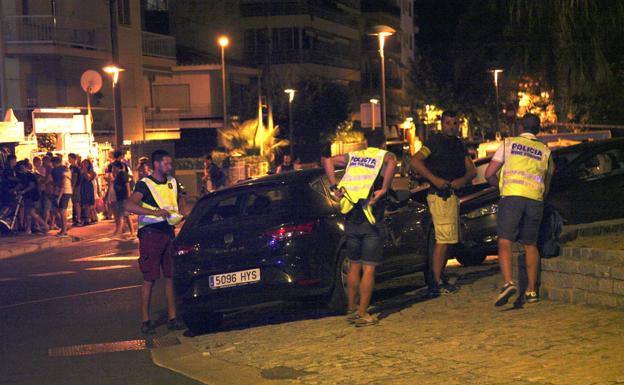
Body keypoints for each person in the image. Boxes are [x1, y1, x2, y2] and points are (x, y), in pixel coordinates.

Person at [323, 130, 397, 327]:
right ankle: (363, 313)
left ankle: (351, 308)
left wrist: (333, 186)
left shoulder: (355, 156)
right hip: (371, 219)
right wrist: (384, 188)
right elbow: (392, 162)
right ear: (383, 143)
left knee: (354, 265)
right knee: (369, 268)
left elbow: (328, 161)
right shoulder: (384, 156)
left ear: (365, 143)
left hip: (351, 219)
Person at [485, 113, 555, 306]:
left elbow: (489, 173)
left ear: (521, 127)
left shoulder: (509, 144)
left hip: (512, 196)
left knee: (505, 241)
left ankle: (508, 283)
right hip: (535, 199)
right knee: (530, 244)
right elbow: (547, 182)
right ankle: (532, 291)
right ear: (538, 129)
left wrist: (499, 186)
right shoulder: (545, 151)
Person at [409, 110, 476, 297]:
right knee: (444, 239)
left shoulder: (459, 145)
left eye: (455, 123)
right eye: (448, 123)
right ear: (442, 124)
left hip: (452, 194)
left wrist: (461, 181)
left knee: (449, 239)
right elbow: (415, 161)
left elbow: (472, 170)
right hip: (440, 195)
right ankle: (435, 282)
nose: (452, 127)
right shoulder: (434, 142)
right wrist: (435, 180)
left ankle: (439, 277)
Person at [125, 150, 185, 334]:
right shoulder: (144, 184)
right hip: (151, 234)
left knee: (170, 275)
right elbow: (129, 205)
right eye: (166, 163)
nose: (170, 166)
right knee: (149, 278)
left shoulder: (172, 182)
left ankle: (173, 318)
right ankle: (145, 320)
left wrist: (179, 215)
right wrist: (155, 213)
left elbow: (178, 201)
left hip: (168, 231)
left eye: (170, 163)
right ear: (157, 164)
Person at [15, 160, 48, 234]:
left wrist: (23, 191)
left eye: (22, 167)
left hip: (33, 196)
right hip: (27, 196)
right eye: (20, 168)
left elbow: (32, 186)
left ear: (26, 167)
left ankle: (44, 225)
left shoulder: (30, 175)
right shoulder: (24, 175)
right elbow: (21, 184)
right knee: (28, 213)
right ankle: (28, 229)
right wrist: (15, 189)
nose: (21, 169)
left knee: (31, 212)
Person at [111, 160, 135, 236]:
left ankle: (118, 233)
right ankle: (132, 232)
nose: (113, 169)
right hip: (120, 198)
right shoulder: (118, 175)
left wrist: (128, 198)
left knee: (120, 216)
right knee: (126, 215)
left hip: (124, 198)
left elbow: (127, 186)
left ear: (118, 167)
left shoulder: (122, 174)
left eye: (114, 167)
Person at [50, 156, 72, 237]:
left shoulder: (59, 170)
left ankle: (64, 230)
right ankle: (64, 229)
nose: (52, 165)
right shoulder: (65, 169)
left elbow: (62, 184)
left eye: (52, 163)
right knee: (61, 211)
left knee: (62, 211)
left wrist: (58, 197)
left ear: (55, 163)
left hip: (64, 192)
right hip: (67, 191)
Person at [80, 159, 98, 225]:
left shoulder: (92, 172)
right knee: (83, 204)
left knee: (88, 203)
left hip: (88, 188)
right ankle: (86, 218)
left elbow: (88, 178)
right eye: (83, 163)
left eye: (86, 163)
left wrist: (85, 171)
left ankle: (88, 219)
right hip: (82, 188)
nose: (84, 165)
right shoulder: (80, 171)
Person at [68, 153, 83, 226]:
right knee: (75, 203)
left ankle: (79, 219)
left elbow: (74, 179)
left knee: (76, 203)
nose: (68, 160)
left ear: (74, 159)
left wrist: (72, 188)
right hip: (74, 186)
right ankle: (77, 219)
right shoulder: (71, 167)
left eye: (70, 158)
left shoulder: (75, 168)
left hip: (76, 187)